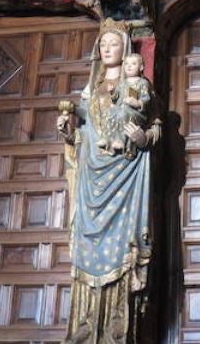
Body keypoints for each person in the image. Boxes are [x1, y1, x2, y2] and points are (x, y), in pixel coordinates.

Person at [57, 27, 160, 343]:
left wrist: (145, 138)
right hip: (93, 178)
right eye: (103, 43)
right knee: (88, 253)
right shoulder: (91, 88)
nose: (108, 48)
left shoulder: (139, 86)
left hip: (125, 175)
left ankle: (118, 332)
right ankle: (84, 330)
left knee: (122, 251)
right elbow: (83, 133)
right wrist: (66, 130)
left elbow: (155, 125)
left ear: (127, 50)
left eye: (114, 43)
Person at [97, 53, 151, 155]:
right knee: (108, 113)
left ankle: (120, 141)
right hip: (121, 108)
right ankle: (106, 139)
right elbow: (116, 98)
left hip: (135, 113)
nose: (129, 66)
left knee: (123, 113)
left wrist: (137, 103)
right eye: (126, 64)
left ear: (141, 67)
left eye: (133, 64)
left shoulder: (143, 83)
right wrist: (112, 92)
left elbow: (146, 99)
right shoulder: (123, 83)